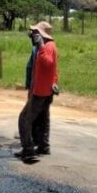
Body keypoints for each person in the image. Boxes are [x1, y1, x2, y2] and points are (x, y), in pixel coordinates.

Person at [17, 22, 59, 161]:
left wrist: (40, 45)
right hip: (45, 88)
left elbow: (47, 64)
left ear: (41, 35)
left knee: (24, 119)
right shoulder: (49, 46)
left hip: (40, 90)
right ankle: (43, 146)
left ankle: (28, 150)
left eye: (35, 33)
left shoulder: (47, 46)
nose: (33, 35)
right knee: (42, 118)